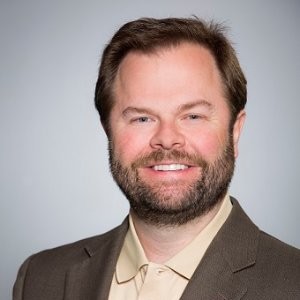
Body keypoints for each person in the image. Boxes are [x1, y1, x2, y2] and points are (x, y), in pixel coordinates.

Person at [13, 17, 300, 300]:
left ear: (235, 132)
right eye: (142, 118)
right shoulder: (39, 279)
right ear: (108, 131)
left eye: (192, 116)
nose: (166, 138)